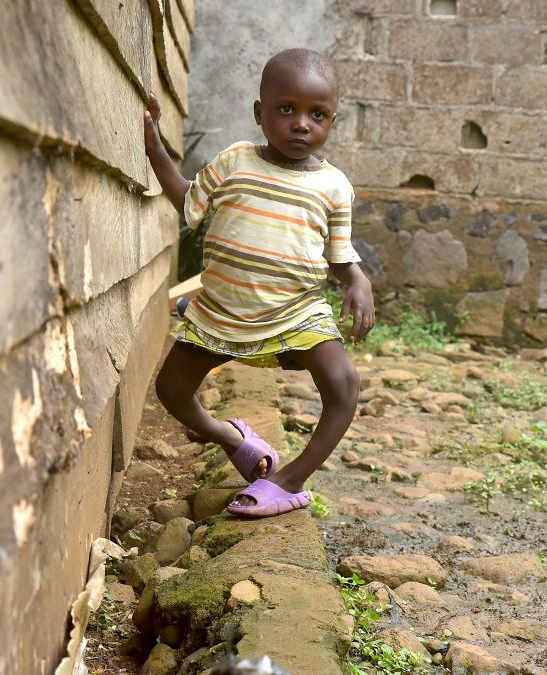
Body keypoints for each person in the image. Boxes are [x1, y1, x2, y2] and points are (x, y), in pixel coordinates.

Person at [142, 48, 374, 517]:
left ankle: (289, 481)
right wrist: (152, 146)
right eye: (286, 109)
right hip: (222, 314)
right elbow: (188, 201)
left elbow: (339, 254)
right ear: (259, 113)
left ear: (333, 121)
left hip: (293, 313)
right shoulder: (234, 162)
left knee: (343, 384)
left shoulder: (334, 187)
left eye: (318, 114)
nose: (301, 124)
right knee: (171, 391)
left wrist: (358, 279)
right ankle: (234, 439)